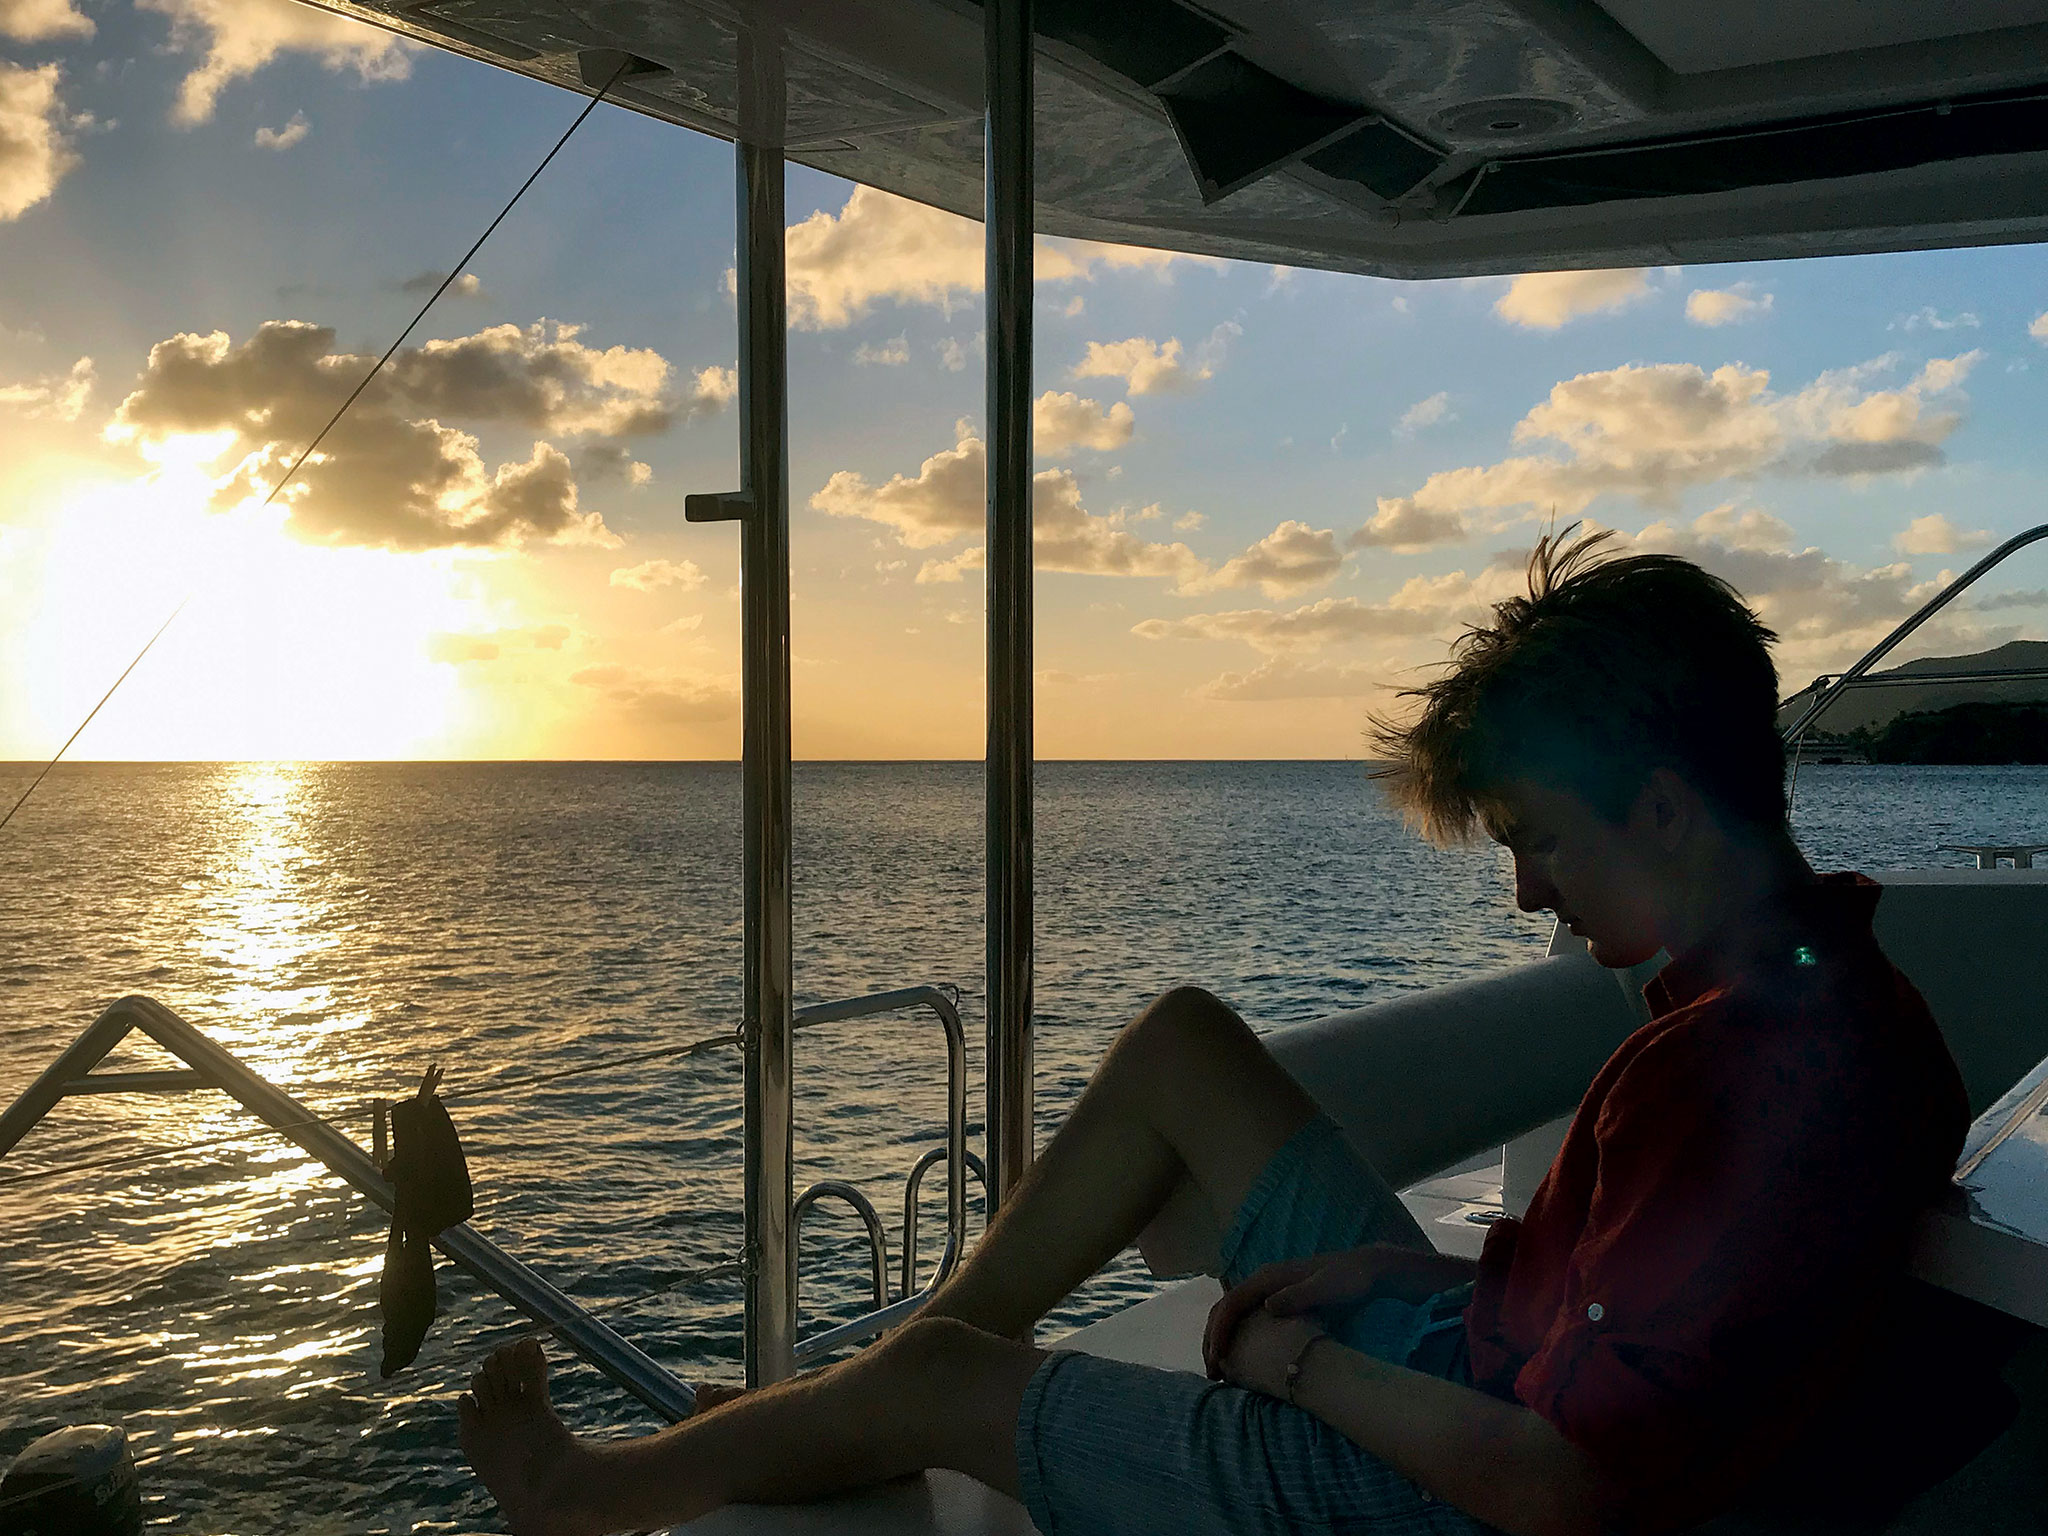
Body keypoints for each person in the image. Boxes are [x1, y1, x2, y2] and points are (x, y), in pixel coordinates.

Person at [457, 529, 1968, 1536]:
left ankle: (594, 1495)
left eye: (1541, 840)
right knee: (1184, 1044)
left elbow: (1566, 1485)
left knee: (947, 1390)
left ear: (1665, 807)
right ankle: (857, 1398)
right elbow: (1657, 1316)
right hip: (1475, 1366)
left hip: (1443, 1495)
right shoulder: (1834, 1003)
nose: (1526, 894)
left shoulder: (1733, 1073)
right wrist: (1415, 1275)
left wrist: (1289, 1365)